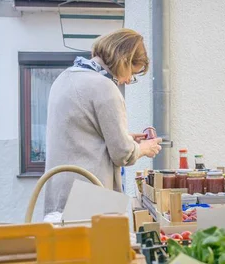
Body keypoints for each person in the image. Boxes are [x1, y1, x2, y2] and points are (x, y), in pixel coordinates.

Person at [43, 28, 162, 221]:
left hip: (59, 190)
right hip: (89, 194)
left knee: (64, 248)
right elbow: (122, 153)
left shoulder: (64, 78)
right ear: (124, 60)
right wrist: (144, 148)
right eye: (132, 73)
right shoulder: (105, 87)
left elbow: (82, 132)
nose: (128, 80)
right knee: (96, 250)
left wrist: (126, 137)